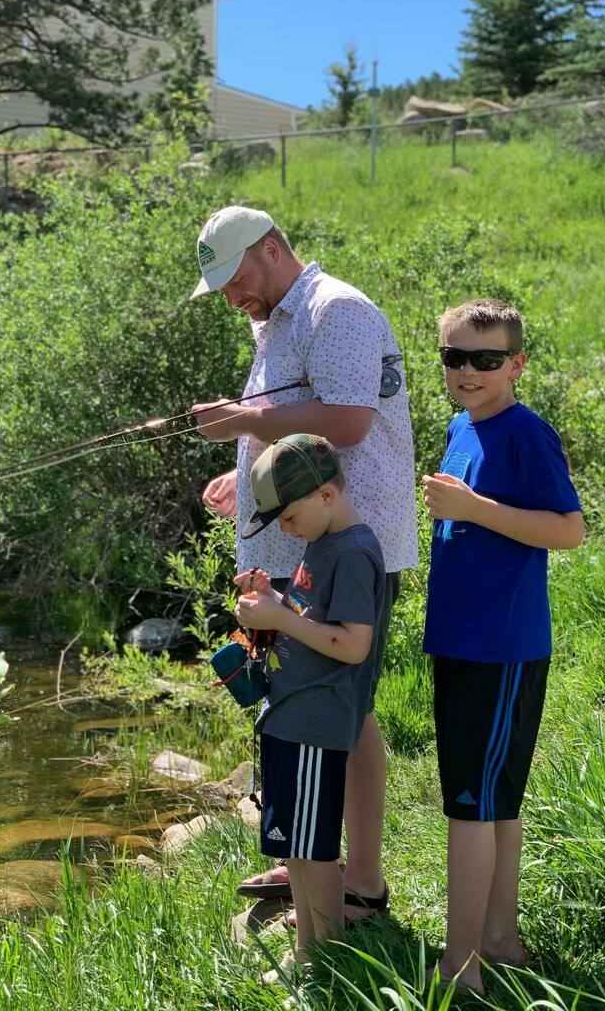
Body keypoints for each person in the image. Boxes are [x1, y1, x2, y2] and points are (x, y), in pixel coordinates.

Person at [190, 205, 417, 919]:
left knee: (347, 710)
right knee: (309, 704)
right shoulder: (276, 321)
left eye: (234, 278)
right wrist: (249, 467)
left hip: (348, 548)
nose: (231, 297)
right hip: (294, 547)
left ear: (271, 249)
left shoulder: (335, 309)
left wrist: (246, 422)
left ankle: (361, 883)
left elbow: (347, 420)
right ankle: (313, 865)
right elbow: (299, 430)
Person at [422, 299, 584, 993]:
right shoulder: (461, 425)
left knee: (470, 806)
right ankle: (497, 940)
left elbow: (568, 530)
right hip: (462, 643)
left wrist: (473, 510)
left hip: (499, 648)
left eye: (484, 360)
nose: (467, 371)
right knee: (495, 803)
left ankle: (461, 972)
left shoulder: (525, 434)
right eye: (453, 357)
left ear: (515, 363)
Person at [232, 433, 385, 976]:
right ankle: (308, 950)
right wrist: (273, 602)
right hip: (292, 715)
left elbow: (352, 643)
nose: (285, 530)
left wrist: (283, 620)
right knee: (294, 841)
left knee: (315, 847)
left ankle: (328, 958)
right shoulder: (320, 542)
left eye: (288, 516)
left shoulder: (354, 552)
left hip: (319, 723)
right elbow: (312, 619)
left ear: (325, 494)